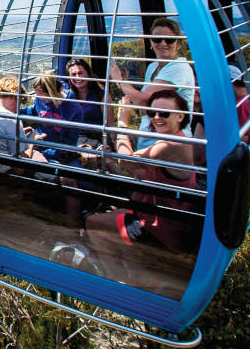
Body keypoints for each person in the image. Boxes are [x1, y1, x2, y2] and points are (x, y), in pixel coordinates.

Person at [82, 90, 200, 286]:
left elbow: (126, 160)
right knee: (114, 210)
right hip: (163, 217)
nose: (157, 118)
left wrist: (122, 122)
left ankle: (116, 281)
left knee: (94, 223)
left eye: (164, 113)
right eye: (152, 113)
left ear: (181, 116)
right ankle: (131, 269)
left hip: (160, 229)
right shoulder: (181, 139)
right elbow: (141, 172)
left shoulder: (169, 146)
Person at [109, 17, 195, 150]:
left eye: (169, 40)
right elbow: (145, 107)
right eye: (157, 39)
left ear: (178, 43)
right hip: (150, 138)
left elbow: (142, 100)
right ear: (150, 41)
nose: (163, 43)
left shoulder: (179, 67)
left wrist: (118, 80)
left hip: (169, 141)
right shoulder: (153, 67)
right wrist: (124, 83)